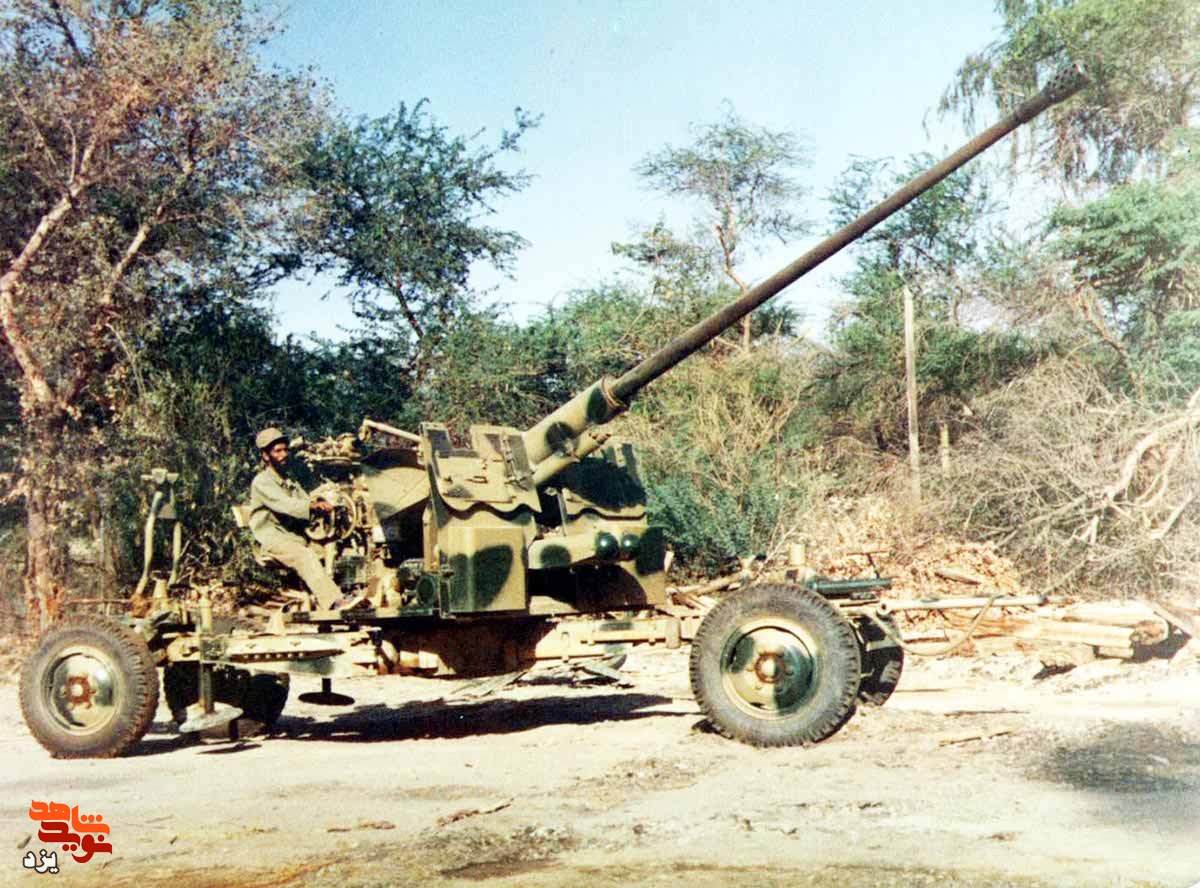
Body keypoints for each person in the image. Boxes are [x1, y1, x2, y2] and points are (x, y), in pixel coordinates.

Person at [247, 427, 359, 611]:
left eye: (285, 450)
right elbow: (287, 505)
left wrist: (325, 497)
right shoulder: (262, 482)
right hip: (273, 540)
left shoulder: (289, 481)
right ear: (266, 456)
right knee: (305, 556)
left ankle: (352, 595)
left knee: (337, 549)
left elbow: (306, 499)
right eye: (277, 451)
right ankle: (335, 602)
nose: (284, 455)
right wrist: (312, 506)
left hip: (295, 538)